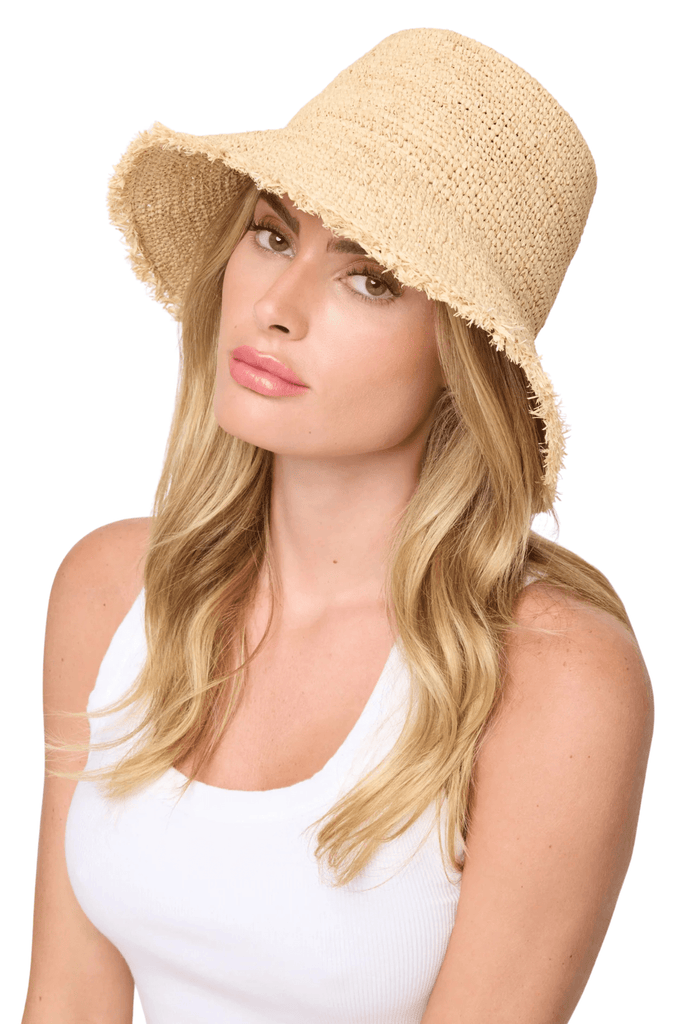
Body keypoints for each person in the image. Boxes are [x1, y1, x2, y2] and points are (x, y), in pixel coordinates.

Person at [22, 26, 654, 1024]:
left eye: (370, 279)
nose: (276, 307)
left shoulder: (551, 676)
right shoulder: (112, 589)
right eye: (273, 235)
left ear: (463, 360)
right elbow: (65, 999)